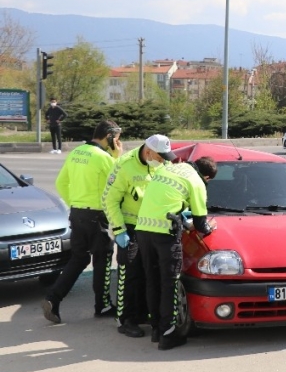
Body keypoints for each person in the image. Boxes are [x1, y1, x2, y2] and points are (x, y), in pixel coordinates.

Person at [42, 120, 123, 324]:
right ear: (110, 137)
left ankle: (53, 298)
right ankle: (102, 305)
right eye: (117, 139)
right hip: (97, 217)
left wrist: (75, 203)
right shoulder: (103, 157)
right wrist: (116, 157)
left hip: (77, 214)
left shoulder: (77, 152)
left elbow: (61, 182)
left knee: (78, 259)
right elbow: (118, 181)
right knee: (103, 260)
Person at [135, 157, 217, 350]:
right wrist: (209, 227)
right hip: (165, 234)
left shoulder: (166, 170)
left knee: (152, 280)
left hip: (143, 231)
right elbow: (201, 223)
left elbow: (163, 201)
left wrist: (181, 214)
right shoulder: (196, 181)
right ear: (207, 177)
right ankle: (168, 335)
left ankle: (156, 330)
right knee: (169, 283)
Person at [101, 134, 176, 338]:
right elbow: (108, 199)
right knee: (130, 274)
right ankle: (126, 319)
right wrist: (119, 230)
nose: (163, 160)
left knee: (149, 273)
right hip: (130, 228)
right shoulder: (125, 165)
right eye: (160, 157)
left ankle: (143, 314)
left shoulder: (161, 164)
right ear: (148, 151)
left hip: (152, 227)